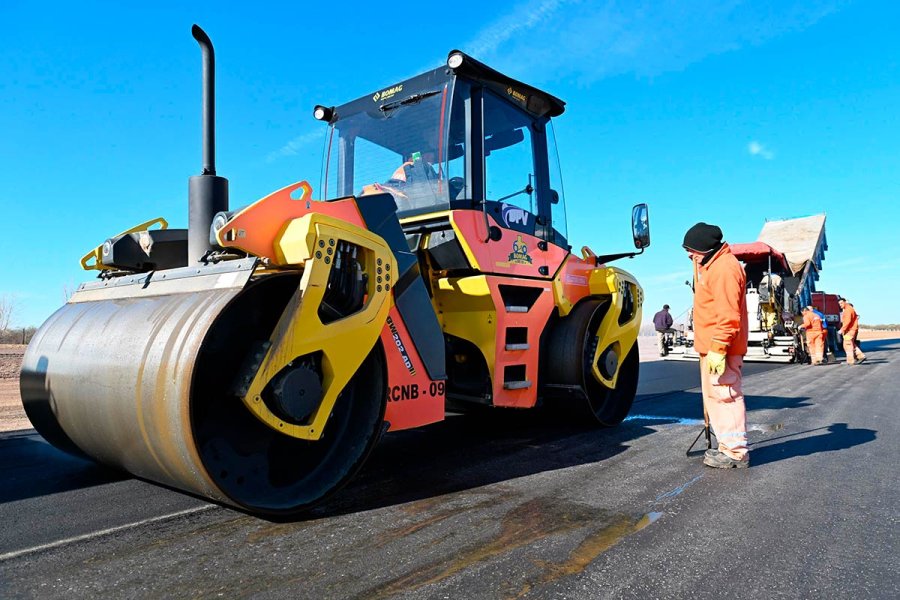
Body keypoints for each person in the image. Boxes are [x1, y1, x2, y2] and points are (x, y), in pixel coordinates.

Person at [683, 222, 749, 469]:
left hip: (720, 349)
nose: (690, 255)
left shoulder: (724, 269)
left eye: (692, 250)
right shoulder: (713, 267)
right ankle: (727, 447)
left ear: (705, 248)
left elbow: (729, 315)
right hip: (711, 348)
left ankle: (735, 453)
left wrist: (719, 347)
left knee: (726, 397)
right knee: (717, 398)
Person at [838, 298, 866, 365]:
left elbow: (847, 321)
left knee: (847, 345)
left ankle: (851, 361)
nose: (840, 305)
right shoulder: (849, 309)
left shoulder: (848, 310)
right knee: (851, 344)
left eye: (841, 303)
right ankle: (860, 356)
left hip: (850, 330)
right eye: (839, 304)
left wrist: (842, 329)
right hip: (851, 330)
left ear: (845, 302)